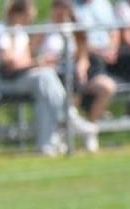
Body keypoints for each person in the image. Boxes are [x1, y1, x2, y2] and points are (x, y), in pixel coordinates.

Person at [0, 0, 80, 155]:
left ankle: (47, 143)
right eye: (27, 17)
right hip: (0, 79)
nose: (30, 21)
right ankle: (69, 117)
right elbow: (11, 64)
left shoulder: (20, 33)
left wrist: (38, 62)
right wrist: (37, 62)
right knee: (44, 78)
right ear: (17, 14)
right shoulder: (1, 30)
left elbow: (24, 62)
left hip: (19, 77)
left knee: (45, 84)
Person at [39, 0, 112, 149]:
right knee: (64, 87)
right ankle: (75, 131)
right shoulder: (44, 29)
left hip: (75, 73)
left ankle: (87, 130)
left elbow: (83, 53)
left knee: (100, 86)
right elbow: (34, 52)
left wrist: (82, 66)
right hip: (53, 74)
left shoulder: (75, 29)